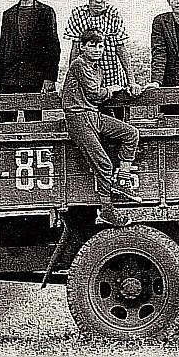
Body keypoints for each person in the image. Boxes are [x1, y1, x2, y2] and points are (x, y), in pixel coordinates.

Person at [62, 28, 142, 226]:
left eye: (101, 46)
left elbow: (96, 97)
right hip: (79, 118)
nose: (97, 49)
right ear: (82, 47)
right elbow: (94, 94)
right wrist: (111, 89)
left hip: (94, 115)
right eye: (92, 45)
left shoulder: (97, 69)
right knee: (104, 164)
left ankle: (122, 180)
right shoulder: (78, 64)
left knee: (131, 133)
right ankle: (107, 211)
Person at [62, 0, 140, 118]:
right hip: (89, 76)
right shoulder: (78, 14)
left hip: (113, 73)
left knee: (120, 116)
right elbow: (75, 49)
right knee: (97, 115)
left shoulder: (113, 13)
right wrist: (69, 83)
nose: (98, 0)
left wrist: (131, 81)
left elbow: (121, 47)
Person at [0, 0, 61, 122]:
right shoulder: (8, 14)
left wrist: (50, 78)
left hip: (34, 78)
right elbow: (3, 48)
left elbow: (53, 48)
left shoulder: (46, 12)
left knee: (33, 121)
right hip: (10, 77)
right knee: (5, 122)